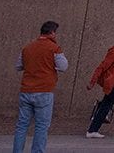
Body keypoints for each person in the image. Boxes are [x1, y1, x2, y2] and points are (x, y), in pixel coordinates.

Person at [14, 20, 69, 153]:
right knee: (41, 126)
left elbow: (18, 66)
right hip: (44, 91)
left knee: (21, 126)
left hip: (26, 90)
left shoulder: (27, 48)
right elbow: (63, 66)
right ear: (52, 33)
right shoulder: (54, 48)